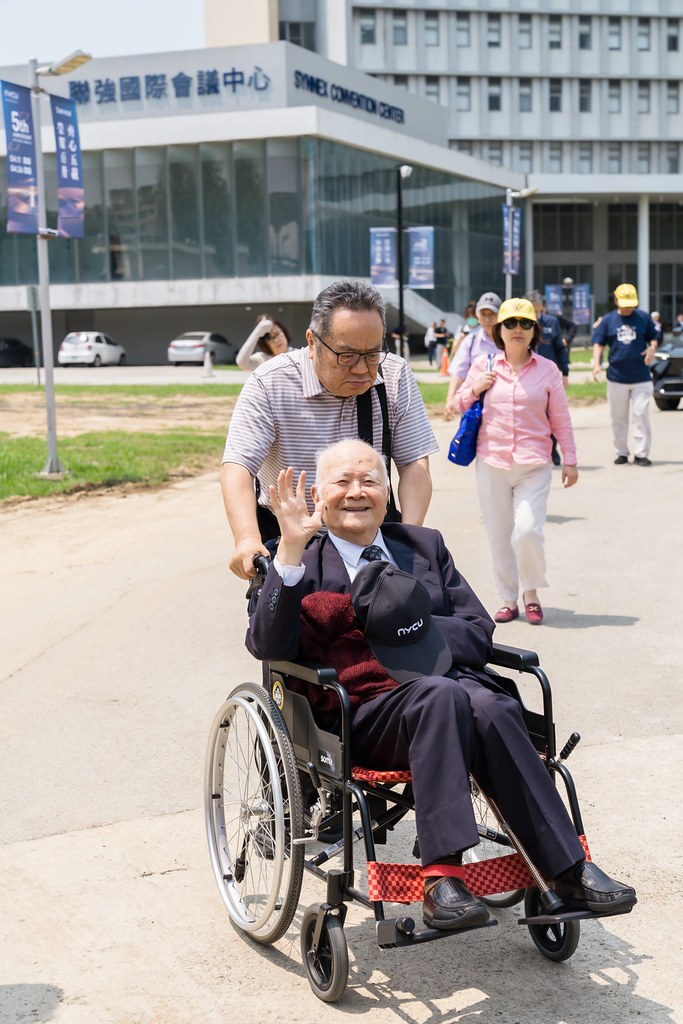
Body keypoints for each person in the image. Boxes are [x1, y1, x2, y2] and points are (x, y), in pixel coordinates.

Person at [246, 439, 636, 932]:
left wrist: (410, 627)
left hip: (454, 693)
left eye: (369, 480)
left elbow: (478, 630)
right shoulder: (306, 560)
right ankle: (442, 876)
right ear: (318, 497)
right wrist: (290, 549)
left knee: (492, 706)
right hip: (367, 715)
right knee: (445, 695)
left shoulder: (423, 546)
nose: (356, 492)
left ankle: (567, 869)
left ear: (387, 494)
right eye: (341, 482)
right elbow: (267, 644)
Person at [221, 279, 438, 578]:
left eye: (372, 354)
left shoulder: (394, 374)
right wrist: (246, 538)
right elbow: (238, 466)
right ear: (312, 342)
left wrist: (408, 539)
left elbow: (415, 462)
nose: (362, 369)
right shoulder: (270, 382)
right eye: (346, 356)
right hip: (294, 540)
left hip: (372, 540)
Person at [453, 298, 579, 626]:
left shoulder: (548, 370)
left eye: (525, 324)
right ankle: (508, 597)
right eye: (511, 323)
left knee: (527, 532)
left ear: (535, 331)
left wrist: (570, 459)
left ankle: (532, 592)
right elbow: (457, 403)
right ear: (499, 330)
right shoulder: (484, 366)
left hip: (534, 465)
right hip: (491, 463)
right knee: (498, 534)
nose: (518, 329)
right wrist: (475, 389)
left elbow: (561, 418)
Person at [592, 283, 659, 467]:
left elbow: (655, 337)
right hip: (617, 377)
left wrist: (652, 347)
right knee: (618, 418)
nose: (628, 307)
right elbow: (599, 343)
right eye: (624, 303)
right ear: (616, 301)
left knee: (640, 415)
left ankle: (641, 453)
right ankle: (621, 452)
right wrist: (597, 365)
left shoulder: (643, 318)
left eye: (631, 304)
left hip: (641, 377)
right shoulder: (608, 320)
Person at [526, 290, 570, 467]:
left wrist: (565, 373)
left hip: (548, 376)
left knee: (552, 415)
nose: (535, 314)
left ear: (542, 308)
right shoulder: (521, 324)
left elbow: (560, 348)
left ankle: (552, 449)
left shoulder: (552, 323)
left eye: (537, 310)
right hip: (527, 375)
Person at [444, 292, 501, 421]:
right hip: (473, 407)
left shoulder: (509, 341)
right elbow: (459, 372)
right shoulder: (471, 341)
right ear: (477, 315)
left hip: (502, 407)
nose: (488, 319)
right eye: (483, 314)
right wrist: (450, 400)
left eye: (492, 314)